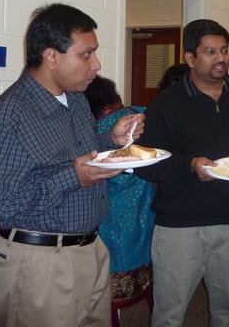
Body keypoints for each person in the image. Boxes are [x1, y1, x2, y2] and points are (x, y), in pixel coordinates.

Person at [0, 3, 144, 326]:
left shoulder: (75, 99)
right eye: (86, 54)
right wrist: (73, 177)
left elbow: (73, 153)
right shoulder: (9, 115)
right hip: (40, 262)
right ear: (51, 57)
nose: (96, 64)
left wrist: (111, 140)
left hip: (91, 249)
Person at [134, 19, 229, 327]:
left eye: (224, 50)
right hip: (180, 225)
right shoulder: (167, 103)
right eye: (210, 52)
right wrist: (189, 165)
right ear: (190, 57)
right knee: (169, 315)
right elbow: (145, 162)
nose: (221, 58)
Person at [84, 76, 154, 315]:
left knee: (106, 296)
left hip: (113, 218)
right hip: (147, 211)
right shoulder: (141, 115)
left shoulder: (95, 131)